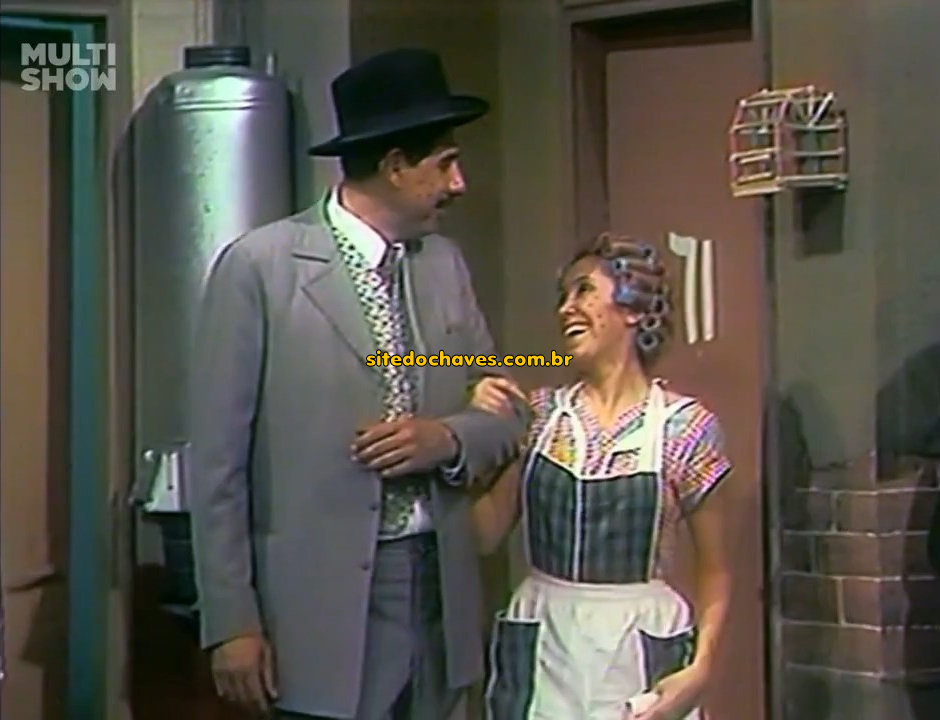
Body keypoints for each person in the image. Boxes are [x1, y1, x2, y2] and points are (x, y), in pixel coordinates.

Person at [188, 48, 527, 720]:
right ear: (396, 165)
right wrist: (232, 621)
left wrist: (448, 440)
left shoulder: (445, 266)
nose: (459, 184)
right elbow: (218, 465)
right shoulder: (262, 269)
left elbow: (509, 412)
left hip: (439, 594)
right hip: (318, 610)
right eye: (445, 164)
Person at [470, 232, 734, 720]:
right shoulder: (540, 416)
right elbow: (484, 534)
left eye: (584, 290)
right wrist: (471, 434)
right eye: (563, 296)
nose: (566, 308)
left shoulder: (685, 428)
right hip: (545, 638)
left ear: (632, 308)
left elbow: (715, 570)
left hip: (642, 642)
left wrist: (701, 669)